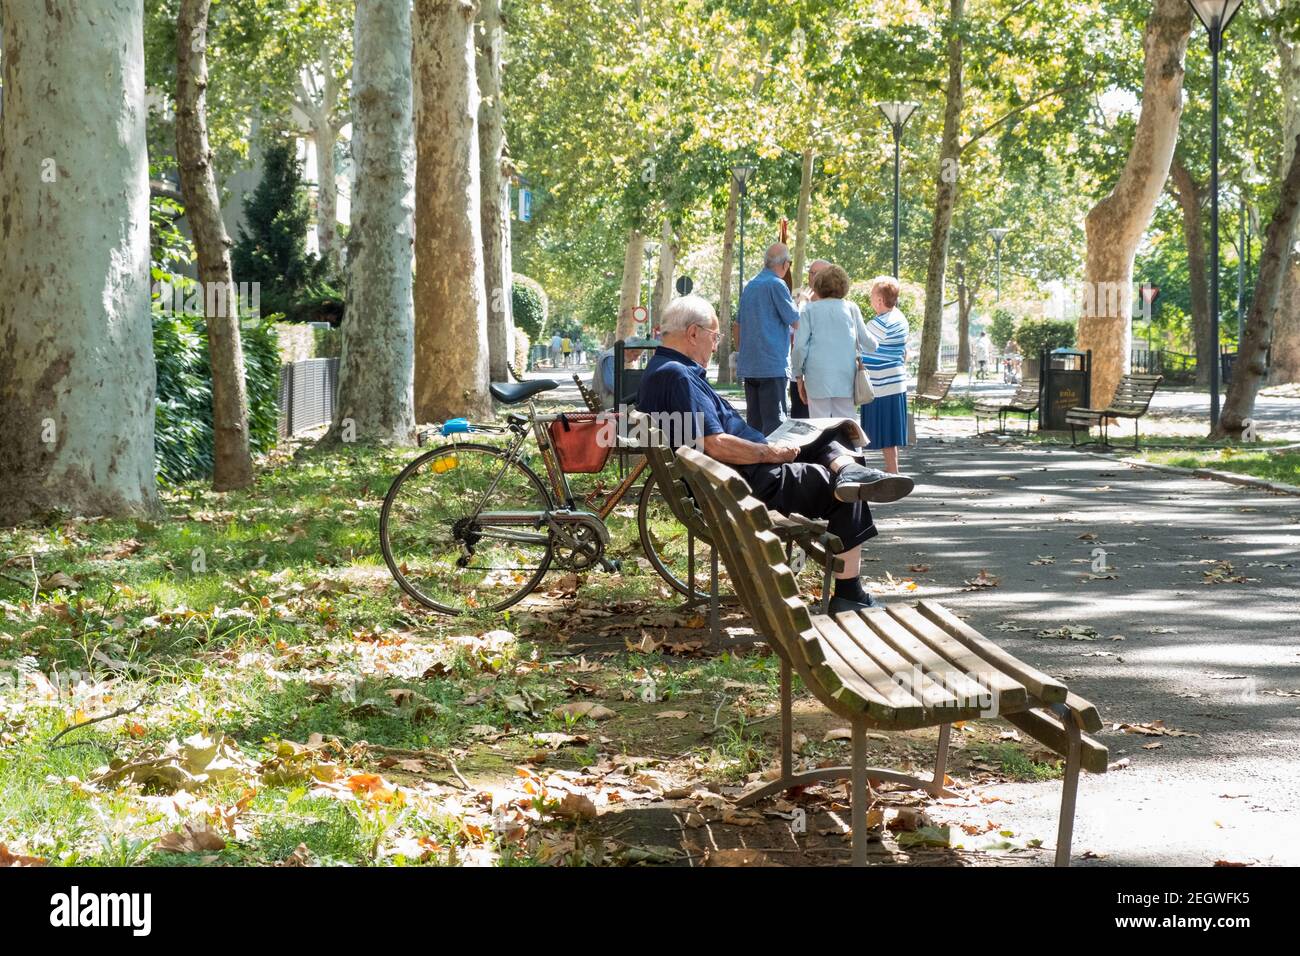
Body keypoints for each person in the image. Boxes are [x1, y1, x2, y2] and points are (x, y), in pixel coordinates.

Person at [638, 294, 915, 613]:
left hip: (731, 479)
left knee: (832, 433)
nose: (716, 346)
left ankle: (848, 470)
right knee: (841, 490)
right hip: (745, 483)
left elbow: (706, 442)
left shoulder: (664, 370)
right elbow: (713, 443)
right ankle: (850, 591)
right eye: (715, 337)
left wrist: (770, 450)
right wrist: (769, 453)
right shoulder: (677, 375)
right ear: (693, 333)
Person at [792, 265, 878, 420]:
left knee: (819, 426)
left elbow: (799, 347)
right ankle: (850, 445)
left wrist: (798, 375)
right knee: (847, 423)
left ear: (818, 286)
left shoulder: (809, 310)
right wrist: (877, 343)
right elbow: (867, 342)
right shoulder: (851, 308)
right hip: (845, 375)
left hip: (816, 376)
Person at [735, 243, 800, 435]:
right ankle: (774, 466)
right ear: (784, 264)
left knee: (755, 425)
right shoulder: (777, 285)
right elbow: (795, 321)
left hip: (751, 365)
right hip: (772, 366)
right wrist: (801, 303)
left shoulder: (750, 285)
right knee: (775, 427)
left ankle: (755, 464)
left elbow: (737, 324)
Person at [859, 276, 910, 475]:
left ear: (880, 299)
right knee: (890, 432)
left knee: (882, 431)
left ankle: (891, 471)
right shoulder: (900, 318)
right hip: (894, 382)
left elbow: (860, 345)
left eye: (872, 296)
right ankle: (892, 470)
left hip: (881, 384)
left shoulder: (878, 324)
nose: (871, 300)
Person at [788, 259, 829, 419]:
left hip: (823, 377)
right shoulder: (798, 301)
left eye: (816, 273)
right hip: (798, 375)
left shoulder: (836, 305)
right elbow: (793, 335)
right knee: (800, 424)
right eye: (810, 273)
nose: (812, 277)